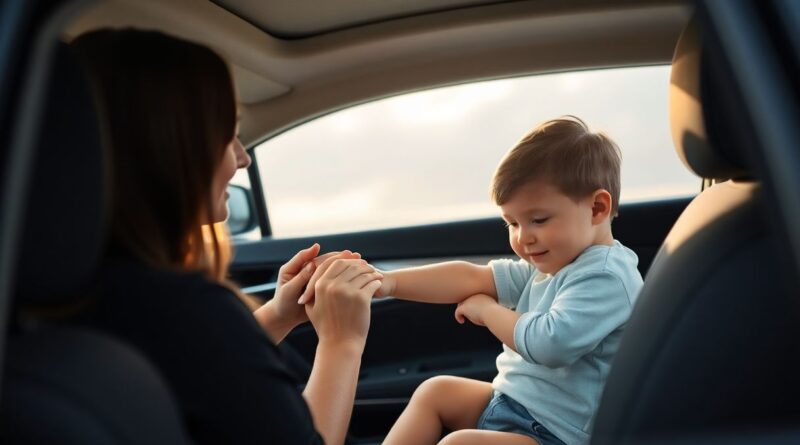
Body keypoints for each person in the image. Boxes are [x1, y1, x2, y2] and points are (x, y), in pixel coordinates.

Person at [70, 29, 383, 445]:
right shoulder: (183, 310)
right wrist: (343, 342)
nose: (242, 156)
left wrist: (280, 314)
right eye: (226, 134)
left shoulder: (94, 294)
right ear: (168, 147)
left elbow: (190, 371)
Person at [305, 117, 643, 445]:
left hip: (558, 434)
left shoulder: (606, 275)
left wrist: (486, 310)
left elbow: (548, 343)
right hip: (516, 405)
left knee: (460, 443)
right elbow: (471, 277)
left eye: (538, 219)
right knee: (435, 392)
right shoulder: (555, 263)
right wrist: (386, 283)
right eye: (512, 223)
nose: (523, 238)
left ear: (597, 208)